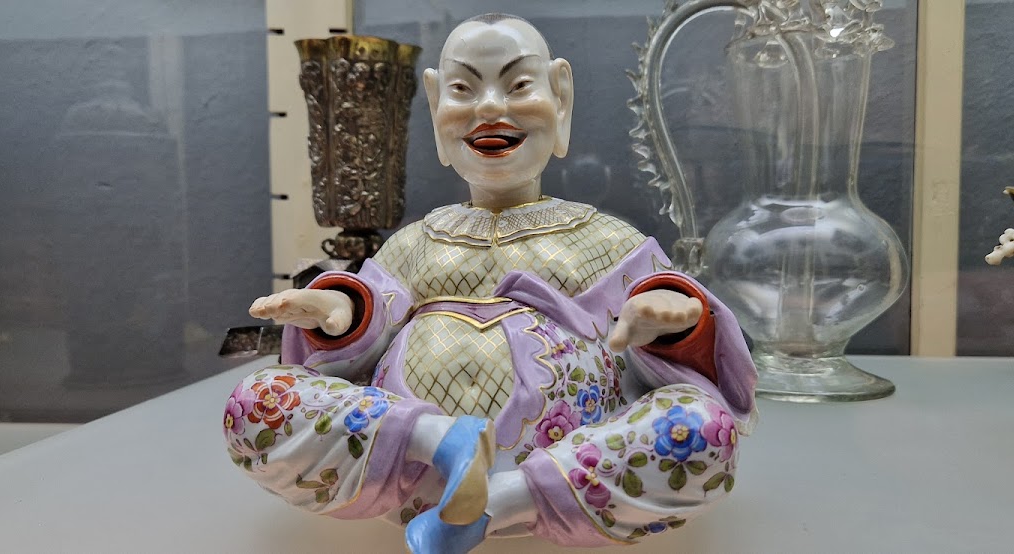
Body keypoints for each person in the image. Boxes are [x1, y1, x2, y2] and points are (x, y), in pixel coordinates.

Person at [224, 13, 757, 554]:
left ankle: (497, 504)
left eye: (518, 84)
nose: (489, 108)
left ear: (561, 98)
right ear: (436, 107)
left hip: (574, 463)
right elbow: (374, 308)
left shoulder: (608, 240)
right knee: (255, 402)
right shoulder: (417, 242)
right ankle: (441, 443)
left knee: (702, 428)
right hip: (406, 467)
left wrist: (673, 318)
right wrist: (336, 310)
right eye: (463, 89)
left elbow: (664, 302)